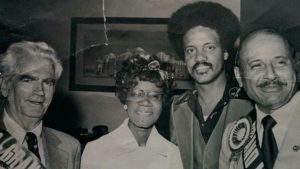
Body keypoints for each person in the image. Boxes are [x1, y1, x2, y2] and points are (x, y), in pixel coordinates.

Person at [167, 2, 253, 169]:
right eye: (190, 50)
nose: (199, 57)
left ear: (225, 53)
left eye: (210, 47)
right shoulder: (176, 107)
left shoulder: (249, 104)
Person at [81, 53, 183, 169]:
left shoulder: (174, 155)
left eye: (154, 96)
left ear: (162, 103)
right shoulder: (96, 151)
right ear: (125, 101)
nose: (145, 102)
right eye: (136, 94)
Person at [219, 29, 300, 169]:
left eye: (280, 62)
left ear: (295, 66)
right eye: (256, 65)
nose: (270, 75)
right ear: (239, 76)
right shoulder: (234, 136)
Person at [0, 41, 81, 169]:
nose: (40, 91)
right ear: (5, 86)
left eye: (48, 83)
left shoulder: (70, 147)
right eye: (28, 80)